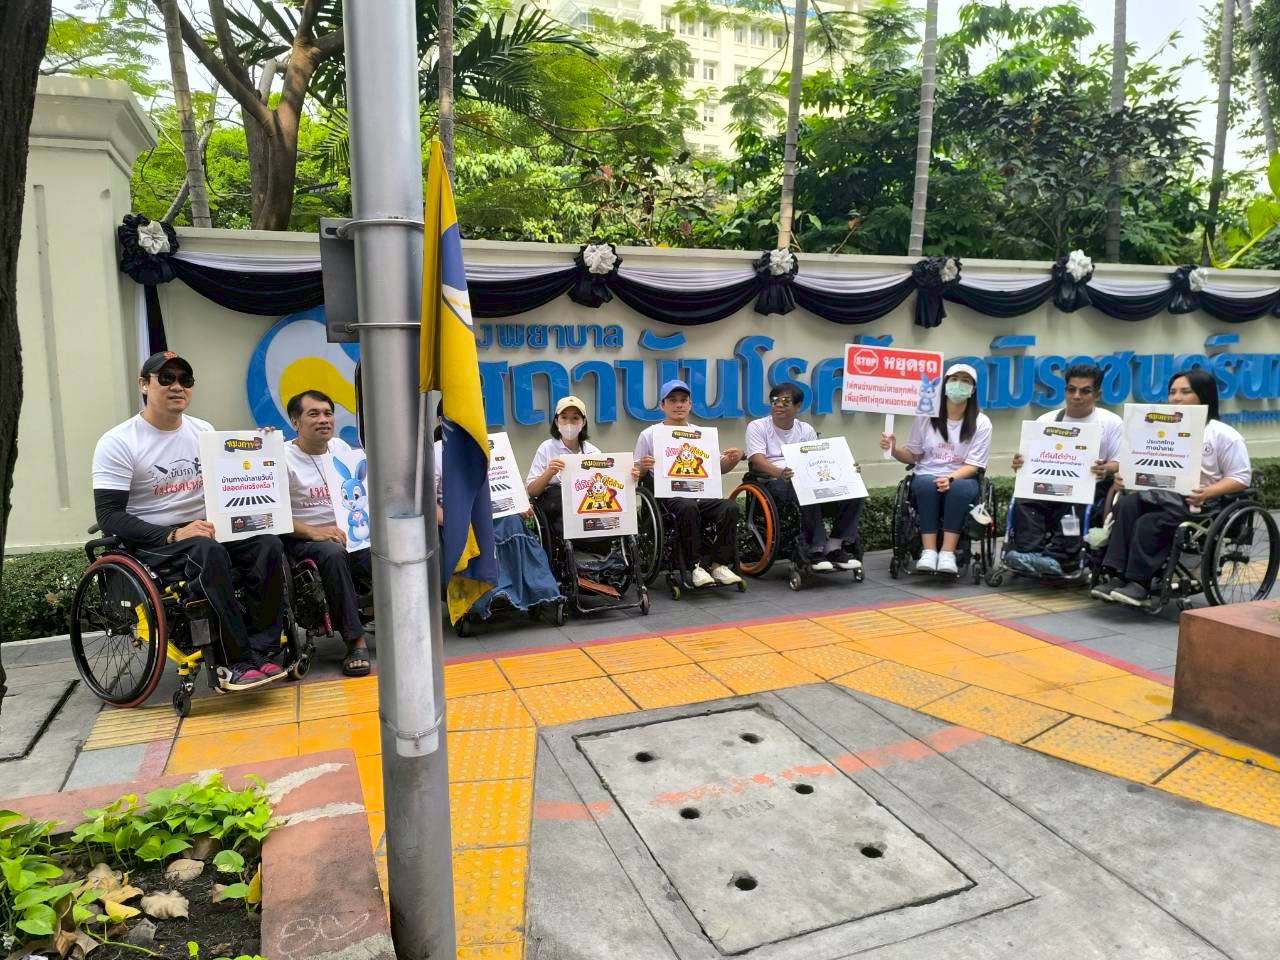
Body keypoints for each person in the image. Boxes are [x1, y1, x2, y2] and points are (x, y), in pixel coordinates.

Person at [91, 351, 286, 690]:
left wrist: (260, 445)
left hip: (204, 529)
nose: (177, 386)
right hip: (153, 540)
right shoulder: (118, 442)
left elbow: (230, 480)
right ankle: (235, 660)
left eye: (185, 379)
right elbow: (108, 516)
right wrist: (173, 534)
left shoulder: (202, 430)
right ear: (144, 385)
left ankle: (264, 649)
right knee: (205, 551)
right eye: (166, 378)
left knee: (266, 542)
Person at [1094, 368, 1251, 607]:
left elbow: (1241, 477)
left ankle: (1139, 583)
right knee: (1126, 504)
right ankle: (1117, 574)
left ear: (1204, 395)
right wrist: (1125, 477)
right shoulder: (1159, 430)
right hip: (1160, 494)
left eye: (1185, 392)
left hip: (1199, 503)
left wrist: (1208, 492)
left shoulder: (1223, 435)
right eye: (1172, 392)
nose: (1176, 398)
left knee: (1149, 522)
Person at [282, 390, 372, 677]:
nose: (323, 419)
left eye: (328, 413)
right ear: (295, 422)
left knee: (387, 551)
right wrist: (315, 532)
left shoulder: (341, 449)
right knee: (333, 554)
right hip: (303, 538)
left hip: (348, 533)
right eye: (314, 414)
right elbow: (274, 514)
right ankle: (355, 642)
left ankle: (402, 623)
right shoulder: (282, 458)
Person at [435, 418, 561, 624]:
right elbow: (430, 505)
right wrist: (454, 522)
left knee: (514, 523)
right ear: (443, 421)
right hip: (459, 517)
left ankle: (537, 589)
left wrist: (519, 504)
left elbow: (503, 481)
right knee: (479, 533)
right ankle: (494, 592)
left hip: (494, 511)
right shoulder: (436, 454)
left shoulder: (485, 446)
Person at [1005, 362, 1124, 576]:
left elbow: (1120, 462)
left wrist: (1106, 468)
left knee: (1078, 499)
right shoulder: (1046, 420)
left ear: (1097, 394)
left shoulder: (1111, 422)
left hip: (1087, 487)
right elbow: (1030, 460)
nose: (1076, 396)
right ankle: (1029, 552)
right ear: (1065, 391)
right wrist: (1020, 464)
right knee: (1023, 497)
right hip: (1048, 483)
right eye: (1071, 390)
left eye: (1085, 391)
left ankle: (1060, 557)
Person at [879, 363, 992, 576]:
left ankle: (947, 553)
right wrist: (893, 449)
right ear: (945, 385)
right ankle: (929, 552)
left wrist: (950, 477)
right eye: (954, 379)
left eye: (965, 381)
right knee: (926, 485)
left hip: (962, 477)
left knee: (959, 490)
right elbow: (913, 455)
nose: (959, 384)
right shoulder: (925, 416)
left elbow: (974, 465)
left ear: (973, 389)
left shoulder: (982, 422)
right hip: (927, 473)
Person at [634, 379, 744, 588]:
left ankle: (718, 565)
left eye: (683, 400)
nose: (679, 405)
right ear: (662, 405)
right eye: (672, 400)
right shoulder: (649, 434)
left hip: (701, 494)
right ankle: (695, 567)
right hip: (668, 497)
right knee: (687, 506)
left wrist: (733, 459)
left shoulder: (700, 434)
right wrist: (644, 467)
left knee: (730, 507)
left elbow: (718, 469)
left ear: (690, 404)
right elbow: (635, 473)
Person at [745, 382, 863, 572]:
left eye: (785, 401)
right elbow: (757, 461)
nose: (778, 405)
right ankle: (815, 549)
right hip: (772, 479)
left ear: (798, 406)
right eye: (775, 401)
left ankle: (834, 546)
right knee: (805, 489)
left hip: (805, 478)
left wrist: (847, 470)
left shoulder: (805, 430)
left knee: (855, 489)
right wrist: (781, 473)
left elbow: (817, 459)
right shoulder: (758, 426)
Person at [526, 396, 603, 543]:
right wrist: (549, 473)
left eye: (575, 418)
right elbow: (532, 491)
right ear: (557, 421)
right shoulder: (546, 448)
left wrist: (628, 476)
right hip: (556, 506)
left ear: (583, 422)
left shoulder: (594, 453)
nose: (569, 423)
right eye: (564, 417)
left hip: (587, 504)